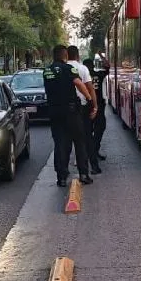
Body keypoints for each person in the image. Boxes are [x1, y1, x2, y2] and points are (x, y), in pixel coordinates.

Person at [43, 45, 93, 187]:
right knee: (79, 141)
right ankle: (83, 174)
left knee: (60, 144)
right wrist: (88, 98)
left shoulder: (47, 71)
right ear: (65, 56)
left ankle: (62, 178)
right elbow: (78, 83)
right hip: (71, 112)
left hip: (54, 112)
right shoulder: (69, 69)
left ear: (53, 56)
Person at [67, 45, 101, 175]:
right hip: (83, 107)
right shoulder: (82, 68)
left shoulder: (63, 69)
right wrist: (95, 107)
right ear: (77, 55)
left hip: (66, 109)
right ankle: (93, 166)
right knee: (87, 138)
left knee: (67, 140)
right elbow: (90, 89)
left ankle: (64, 172)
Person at [84, 55, 110, 161]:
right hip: (98, 107)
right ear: (93, 66)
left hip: (86, 107)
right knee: (100, 129)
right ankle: (94, 150)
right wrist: (101, 56)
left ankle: (90, 152)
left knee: (87, 131)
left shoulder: (81, 77)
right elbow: (108, 67)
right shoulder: (98, 74)